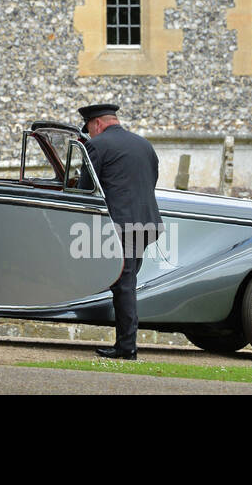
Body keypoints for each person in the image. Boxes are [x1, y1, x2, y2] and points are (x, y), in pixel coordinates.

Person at [80, 103, 163, 361]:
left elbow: (85, 189)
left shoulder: (97, 145)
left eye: (90, 130)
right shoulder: (144, 145)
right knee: (126, 284)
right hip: (147, 223)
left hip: (122, 225)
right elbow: (151, 180)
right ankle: (125, 344)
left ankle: (127, 348)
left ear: (97, 124)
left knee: (124, 285)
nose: (91, 135)